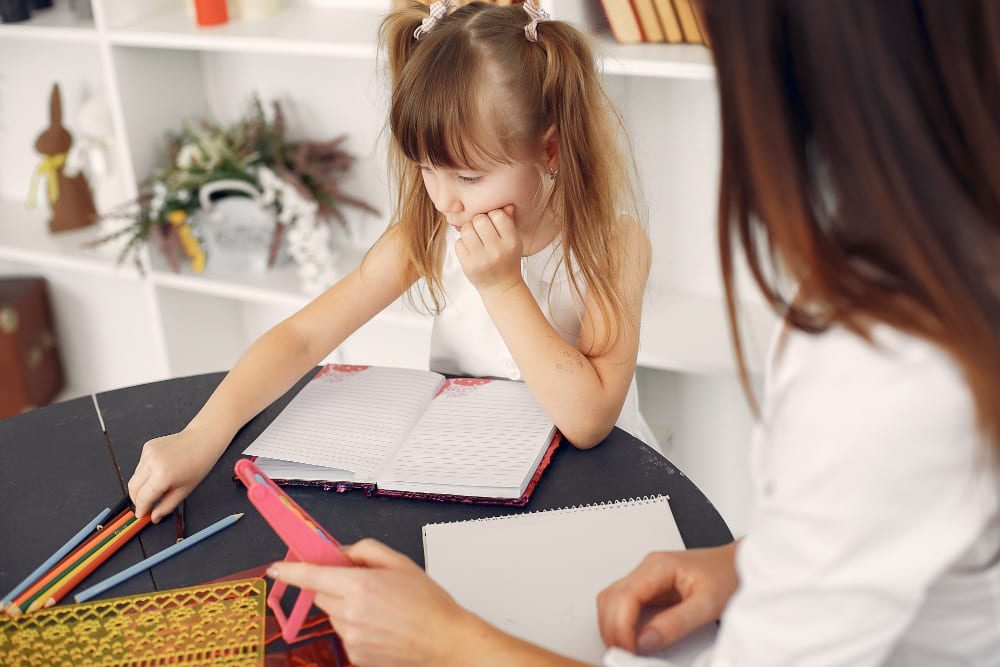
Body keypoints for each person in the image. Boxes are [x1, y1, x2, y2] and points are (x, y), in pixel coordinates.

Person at [269, 1, 1000, 665]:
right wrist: (751, 562)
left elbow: (592, 415)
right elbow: (901, 526)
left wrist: (445, 640)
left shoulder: (883, 368)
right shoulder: (930, 284)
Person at [128, 0, 653, 525]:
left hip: (593, 491)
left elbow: (589, 420)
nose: (445, 199)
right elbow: (304, 337)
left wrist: (502, 287)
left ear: (551, 149)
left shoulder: (612, 244)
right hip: (468, 477)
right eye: (427, 169)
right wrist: (201, 436)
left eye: (469, 178)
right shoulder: (427, 231)